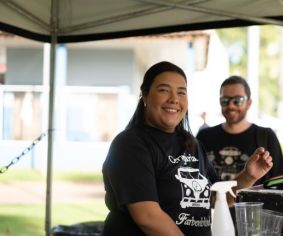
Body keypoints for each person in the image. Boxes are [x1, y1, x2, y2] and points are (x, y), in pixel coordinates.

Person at [102, 62, 273, 236]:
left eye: (181, 92)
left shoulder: (192, 144)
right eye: (164, 90)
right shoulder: (131, 144)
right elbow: (148, 217)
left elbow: (217, 197)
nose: (174, 99)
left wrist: (247, 176)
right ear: (145, 95)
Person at [196, 75, 283, 185]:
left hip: (255, 202)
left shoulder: (266, 136)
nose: (231, 106)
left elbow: (278, 181)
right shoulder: (204, 137)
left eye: (238, 100)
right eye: (225, 100)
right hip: (213, 202)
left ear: (249, 103)